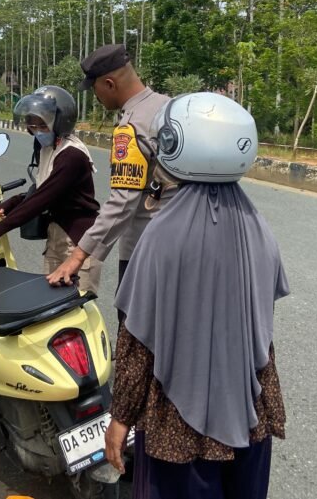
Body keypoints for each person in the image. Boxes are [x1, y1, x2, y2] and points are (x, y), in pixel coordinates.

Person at [104, 92, 289, 499]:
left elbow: (137, 340)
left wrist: (120, 417)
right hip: (250, 412)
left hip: (178, 428)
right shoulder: (258, 227)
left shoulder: (162, 234)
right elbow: (260, 327)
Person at [46, 43, 169, 290]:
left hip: (145, 251)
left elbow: (123, 200)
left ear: (110, 84)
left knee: (132, 326)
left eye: (95, 88)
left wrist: (78, 256)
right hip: (181, 241)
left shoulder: (131, 126)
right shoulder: (170, 106)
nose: (96, 96)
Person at [0, 85, 103, 293]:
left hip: (78, 240)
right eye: (33, 126)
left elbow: (43, 198)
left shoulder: (72, 155)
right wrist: (13, 202)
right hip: (56, 235)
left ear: (60, 121)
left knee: (78, 306)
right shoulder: (47, 147)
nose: (37, 131)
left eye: (42, 125)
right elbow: (43, 186)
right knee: (51, 303)